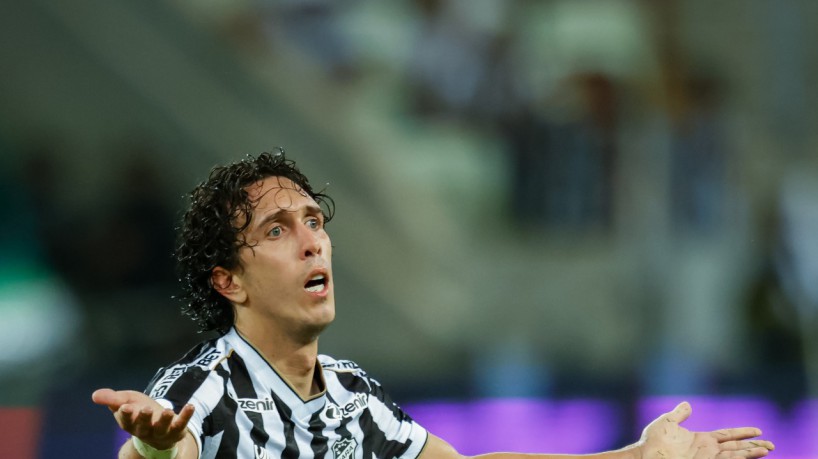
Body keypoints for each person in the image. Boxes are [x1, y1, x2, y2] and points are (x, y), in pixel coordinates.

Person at [93, 149, 775, 459]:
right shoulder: (198, 390)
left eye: (314, 221)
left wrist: (637, 457)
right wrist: (153, 451)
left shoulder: (353, 397)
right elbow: (164, 444)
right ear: (229, 282)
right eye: (278, 230)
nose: (313, 243)